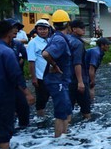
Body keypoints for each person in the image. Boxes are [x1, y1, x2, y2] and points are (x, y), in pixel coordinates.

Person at [0, 20, 35, 149]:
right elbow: (16, 75)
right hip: (3, 96)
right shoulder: (7, 52)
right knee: (4, 131)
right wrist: (27, 94)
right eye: (13, 30)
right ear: (9, 33)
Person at [42, 9, 72, 137]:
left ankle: (64, 136)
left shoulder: (55, 37)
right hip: (57, 80)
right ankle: (58, 141)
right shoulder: (59, 40)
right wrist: (54, 65)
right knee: (60, 112)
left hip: (59, 80)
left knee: (65, 109)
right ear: (67, 25)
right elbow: (45, 53)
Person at [67, 19, 91, 120]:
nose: (84, 30)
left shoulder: (67, 39)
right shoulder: (78, 43)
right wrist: (80, 82)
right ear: (74, 29)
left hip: (68, 79)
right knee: (86, 109)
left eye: (84, 27)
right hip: (78, 79)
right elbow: (77, 63)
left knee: (68, 109)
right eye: (81, 28)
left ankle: (65, 131)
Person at [26, 19, 51, 117]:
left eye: (45, 29)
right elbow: (31, 61)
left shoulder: (50, 41)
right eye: (40, 29)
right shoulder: (33, 43)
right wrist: (33, 78)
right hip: (40, 76)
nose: (43, 31)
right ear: (36, 30)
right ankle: (40, 118)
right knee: (41, 99)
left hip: (51, 74)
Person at [85, 37, 110, 102]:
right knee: (91, 86)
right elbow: (91, 68)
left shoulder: (98, 51)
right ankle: (91, 103)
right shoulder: (96, 53)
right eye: (107, 44)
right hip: (83, 71)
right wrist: (93, 81)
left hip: (85, 70)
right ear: (102, 45)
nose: (109, 46)